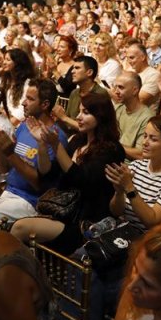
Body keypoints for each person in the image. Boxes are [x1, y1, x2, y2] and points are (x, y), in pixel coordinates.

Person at [11, 93, 125, 256]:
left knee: (19, 228)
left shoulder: (112, 150)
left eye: (85, 113)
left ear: (100, 117)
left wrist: (56, 145)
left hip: (86, 222)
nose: (78, 117)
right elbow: (47, 174)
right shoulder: (77, 141)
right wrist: (42, 144)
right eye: (79, 111)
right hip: (61, 211)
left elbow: (80, 179)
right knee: (17, 226)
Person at [0, 79, 68, 222]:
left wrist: (10, 153)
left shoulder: (55, 137)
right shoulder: (24, 126)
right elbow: (4, 169)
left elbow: (39, 184)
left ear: (45, 104)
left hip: (28, 201)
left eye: (30, 99)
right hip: (5, 191)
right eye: (25, 97)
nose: (23, 103)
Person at [105, 115, 161, 232]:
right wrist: (119, 192)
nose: (144, 142)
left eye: (153, 139)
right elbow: (115, 211)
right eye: (145, 136)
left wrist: (129, 187)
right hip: (121, 233)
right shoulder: (135, 166)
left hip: (148, 241)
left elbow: (152, 222)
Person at [54, 55, 107, 132]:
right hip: (73, 136)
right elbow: (69, 123)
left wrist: (64, 118)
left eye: (77, 68)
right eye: (73, 68)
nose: (72, 71)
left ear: (89, 72)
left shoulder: (100, 94)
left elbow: (94, 129)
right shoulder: (74, 93)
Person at [112, 71, 155, 161]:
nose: (116, 92)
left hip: (128, 166)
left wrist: (111, 144)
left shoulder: (147, 117)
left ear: (135, 90)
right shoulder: (118, 108)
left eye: (121, 87)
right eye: (115, 87)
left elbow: (141, 154)